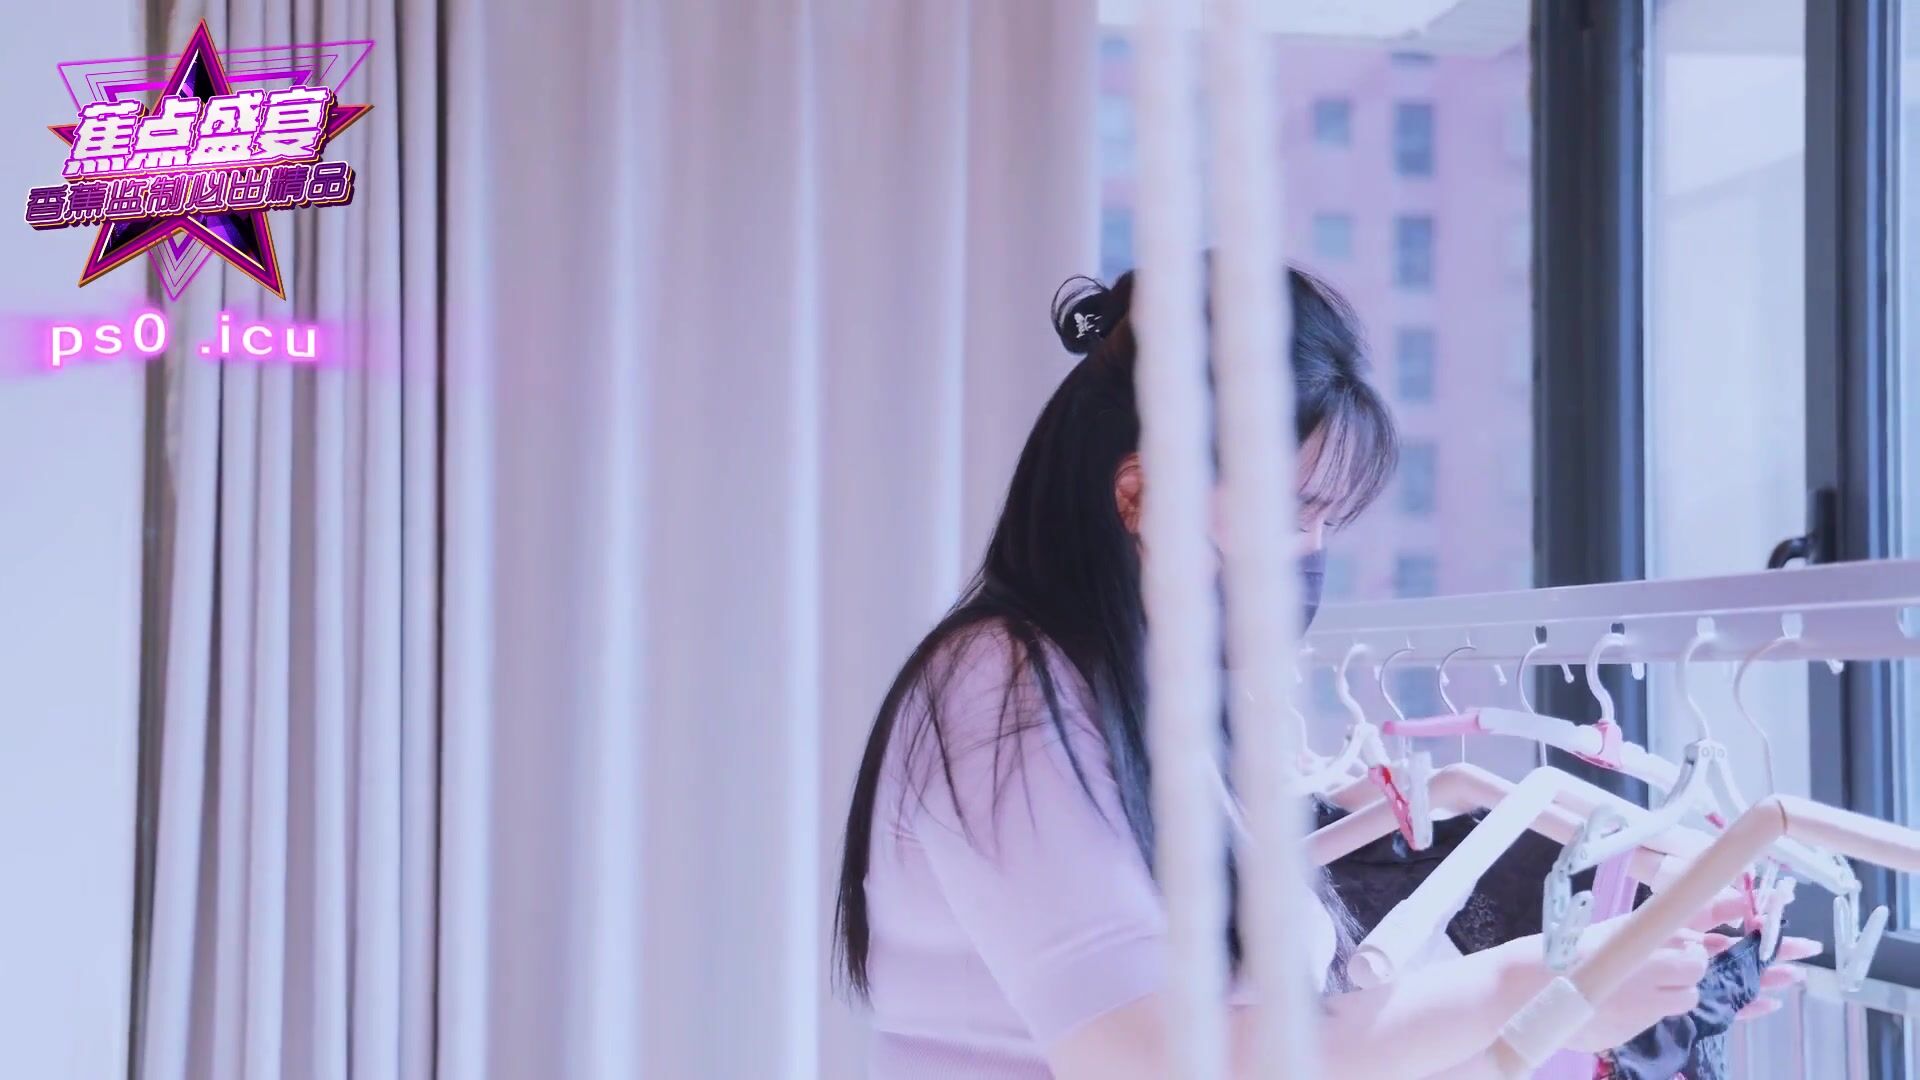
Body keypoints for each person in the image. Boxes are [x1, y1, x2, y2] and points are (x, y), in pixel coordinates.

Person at [832, 268, 1813, 1079]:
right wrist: (1533, 981)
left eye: (1327, 523)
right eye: (1291, 513)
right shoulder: (1006, 689)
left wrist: (1638, 990)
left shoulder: (1162, 713)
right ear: (1137, 493)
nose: (1308, 552)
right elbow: (1147, 1056)